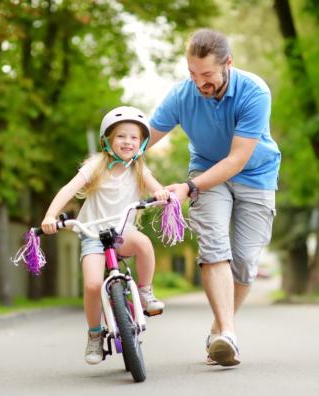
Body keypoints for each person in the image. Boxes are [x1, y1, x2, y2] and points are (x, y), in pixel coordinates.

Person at [149, 29, 281, 367]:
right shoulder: (182, 95)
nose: (199, 83)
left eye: (207, 75)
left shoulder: (254, 91)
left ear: (228, 64)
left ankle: (220, 330)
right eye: (192, 73)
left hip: (255, 174)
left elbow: (237, 160)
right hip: (207, 174)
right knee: (213, 247)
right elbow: (145, 136)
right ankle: (227, 335)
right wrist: (114, 151)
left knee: (246, 261)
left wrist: (187, 189)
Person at [41, 106, 169, 365]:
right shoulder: (96, 165)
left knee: (144, 243)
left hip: (123, 232)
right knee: (91, 285)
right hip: (93, 234)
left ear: (142, 142)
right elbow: (68, 189)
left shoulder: (138, 169)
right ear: (108, 140)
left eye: (134, 137)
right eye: (121, 136)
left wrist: (163, 195)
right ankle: (95, 334)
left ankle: (145, 292)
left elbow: (158, 190)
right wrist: (50, 216)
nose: (128, 142)